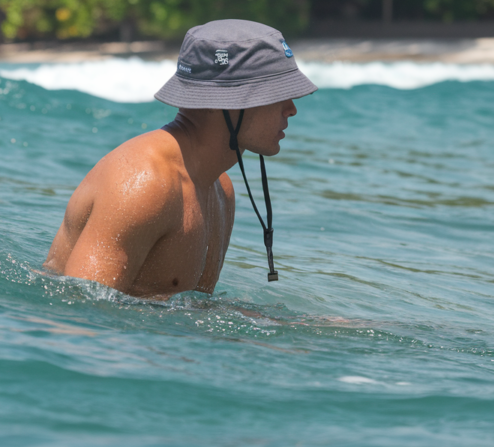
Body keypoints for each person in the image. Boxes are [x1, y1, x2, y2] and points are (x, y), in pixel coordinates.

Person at [43, 19, 317, 298]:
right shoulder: (146, 182)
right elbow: (79, 315)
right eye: (277, 93)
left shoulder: (220, 190)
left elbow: (191, 313)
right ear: (229, 99)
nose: (291, 109)